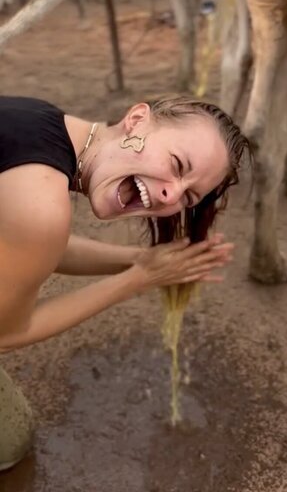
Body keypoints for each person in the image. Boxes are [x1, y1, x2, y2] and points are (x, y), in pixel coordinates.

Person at [0, 94, 249, 471]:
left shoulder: (43, 125)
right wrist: (139, 280)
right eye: (178, 164)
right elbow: (6, 333)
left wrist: (136, 260)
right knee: (10, 440)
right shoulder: (42, 206)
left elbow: (25, 245)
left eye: (190, 196)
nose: (172, 195)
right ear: (136, 120)